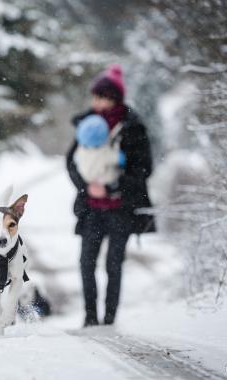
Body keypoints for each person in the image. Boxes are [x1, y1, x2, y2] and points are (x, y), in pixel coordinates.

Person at [66, 64, 155, 326]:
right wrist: (85, 186)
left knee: (114, 264)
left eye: (101, 97)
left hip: (121, 208)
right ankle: (90, 317)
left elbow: (143, 169)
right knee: (86, 262)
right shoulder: (86, 126)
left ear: (114, 99)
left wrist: (112, 187)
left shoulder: (132, 128)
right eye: (94, 97)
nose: (96, 102)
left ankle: (109, 318)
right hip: (91, 208)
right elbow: (71, 162)